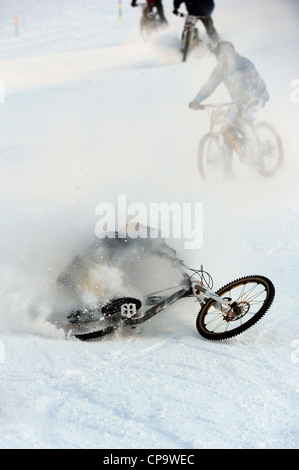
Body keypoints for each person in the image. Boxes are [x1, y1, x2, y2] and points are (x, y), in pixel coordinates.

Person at [189, 41, 270, 172]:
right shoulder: (219, 70)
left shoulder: (242, 62)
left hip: (256, 96)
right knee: (226, 129)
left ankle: (258, 158)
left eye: (220, 55)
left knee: (246, 125)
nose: (218, 59)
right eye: (217, 56)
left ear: (229, 53)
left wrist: (247, 95)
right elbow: (209, 85)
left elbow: (252, 78)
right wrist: (197, 100)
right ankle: (227, 172)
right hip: (238, 100)